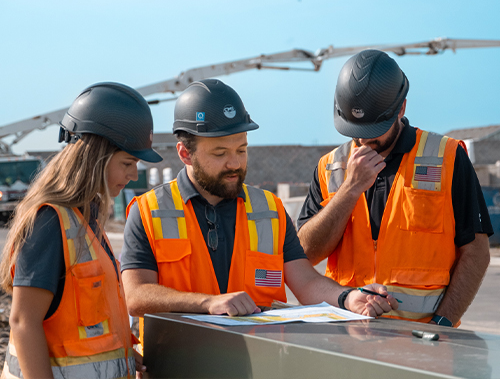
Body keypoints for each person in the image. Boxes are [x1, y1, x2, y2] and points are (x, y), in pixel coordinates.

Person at [120, 79, 398, 343]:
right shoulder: (149, 211)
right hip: (177, 363)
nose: (234, 163)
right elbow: (136, 296)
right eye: (220, 153)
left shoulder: (270, 210)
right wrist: (207, 303)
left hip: (259, 363)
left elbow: (306, 281)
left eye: (241, 150)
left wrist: (348, 298)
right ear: (185, 154)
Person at [297, 49, 493, 327]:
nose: (363, 140)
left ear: (400, 108)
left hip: (424, 342)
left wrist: (442, 325)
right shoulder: (330, 167)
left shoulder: (447, 158)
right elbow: (305, 253)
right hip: (346, 336)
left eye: (373, 130)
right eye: (355, 129)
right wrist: (349, 190)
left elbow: (476, 252)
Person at [0, 82, 163, 379]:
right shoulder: (49, 222)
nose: (133, 174)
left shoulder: (87, 221)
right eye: (128, 162)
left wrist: (126, 358)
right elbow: (24, 322)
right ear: (96, 157)